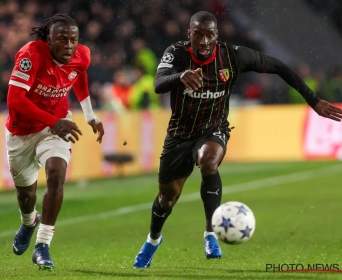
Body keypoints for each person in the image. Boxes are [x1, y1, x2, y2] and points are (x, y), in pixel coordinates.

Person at [133, 11, 342, 268]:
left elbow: (278, 66)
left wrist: (312, 99)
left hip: (214, 129)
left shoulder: (232, 56)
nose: (204, 40)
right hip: (179, 134)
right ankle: (153, 240)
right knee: (167, 198)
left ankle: (211, 232)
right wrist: (179, 76)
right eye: (198, 34)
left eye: (209, 34)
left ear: (216, 36)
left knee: (209, 162)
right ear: (190, 34)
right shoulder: (176, 53)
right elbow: (158, 84)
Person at [6, 14, 104, 270]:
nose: (69, 46)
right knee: (26, 196)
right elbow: (15, 100)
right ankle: (29, 222)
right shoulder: (31, 55)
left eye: (73, 40)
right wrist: (52, 121)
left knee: (56, 174)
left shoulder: (82, 55)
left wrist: (90, 115)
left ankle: (42, 245)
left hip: (56, 126)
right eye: (62, 40)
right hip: (22, 132)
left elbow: (79, 75)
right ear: (48, 40)